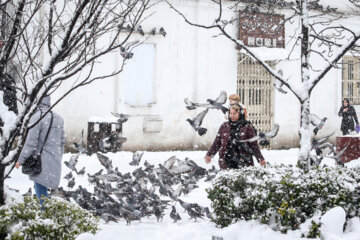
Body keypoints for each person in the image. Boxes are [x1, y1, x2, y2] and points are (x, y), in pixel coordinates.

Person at [16, 96, 65, 205]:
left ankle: (46, 215)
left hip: (40, 160)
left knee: (40, 188)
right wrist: (57, 157)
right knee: (42, 186)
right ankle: (48, 212)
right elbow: (62, 142)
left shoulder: (37, 117)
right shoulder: (59, 118)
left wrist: (21, 159)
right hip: (53, 159)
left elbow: (31, 142)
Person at [205, 104, 266, 169]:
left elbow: (254, 145)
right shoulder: (224, 126)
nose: (232, 116)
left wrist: (260, 159)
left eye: (234, 114)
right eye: (230, 113)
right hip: (226, 159)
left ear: (240, 114)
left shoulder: (247, 127)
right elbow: (217, 142)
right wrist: (209, 154)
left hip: (243, 160)